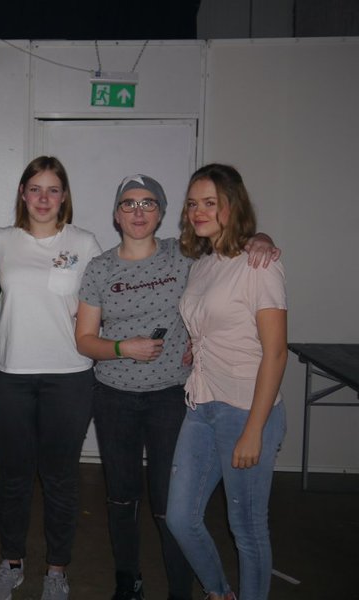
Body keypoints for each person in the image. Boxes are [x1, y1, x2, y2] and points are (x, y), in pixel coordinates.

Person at [74, 175, 279, 600]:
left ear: (162, 213)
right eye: (128, 204)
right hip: (115, 396)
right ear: (116, 214)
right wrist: (122, 347)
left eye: (148, 203)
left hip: (173, 395)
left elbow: (234, 250)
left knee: (171, 505)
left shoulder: (186, 256)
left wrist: (261, 238)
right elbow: (85, 340)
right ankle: (128, 581)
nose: (138, 212)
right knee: (121, 498)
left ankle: (181, 589)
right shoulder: (101, 268)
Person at [166, 164, 287, 600]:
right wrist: (197, 346)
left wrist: (254, 430)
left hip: (246, 408)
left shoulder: (260, 265)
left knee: (248, 530)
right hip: (201, 403)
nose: (198, 211)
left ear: (232, 206)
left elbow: (275, 352)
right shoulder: (202, 265)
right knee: (180, 518)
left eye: (210, 203)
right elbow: (214, 322)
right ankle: (219, 592)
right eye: (192, 204)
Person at [0, 156, 101, 600]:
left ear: (64, 196)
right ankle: (11, 562)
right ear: (22, 193)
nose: (44, 198)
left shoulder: (84, 242)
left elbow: (110, 296)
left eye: (53, 189)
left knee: (60, 479)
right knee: (12, 476)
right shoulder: (2, 241)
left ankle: (56, 569)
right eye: (35, 189)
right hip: (9, 375)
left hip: (69, 376)